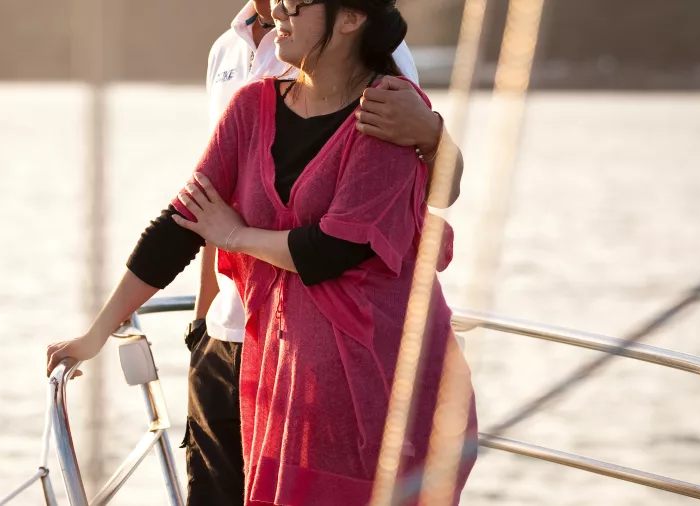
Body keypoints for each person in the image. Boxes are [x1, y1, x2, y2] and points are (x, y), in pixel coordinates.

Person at [47, 0, 476, 504]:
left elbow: (335, 248)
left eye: (295, 6)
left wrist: (233, 236)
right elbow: (181, 224)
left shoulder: (386, 108)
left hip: (376, 384)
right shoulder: (251, 106)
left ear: (351, 18)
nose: (279, 16)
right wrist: (98, 333)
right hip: (277, 371)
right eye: (279, 6)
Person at [180, 1, 462, 504]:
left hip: (312, 346)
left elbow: (425, 187)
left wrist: (433, 134)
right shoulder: (226, 49)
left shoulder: (368, 46)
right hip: (225, 332)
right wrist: (202, 324)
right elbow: (214, 196)